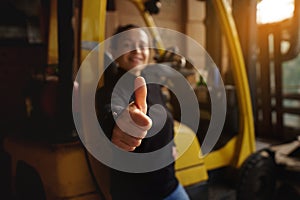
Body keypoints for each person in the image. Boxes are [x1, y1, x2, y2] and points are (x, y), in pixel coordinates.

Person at [96, 24, 190, 200]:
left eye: (142, 45)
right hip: (135, 193)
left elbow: (166, 120)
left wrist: (172, 146)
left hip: (169, 186)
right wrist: (120, 125)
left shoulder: (152, 84)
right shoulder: (109, 91)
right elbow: (110, 112)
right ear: (114, 51)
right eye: (127, 45)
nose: (137, 50)